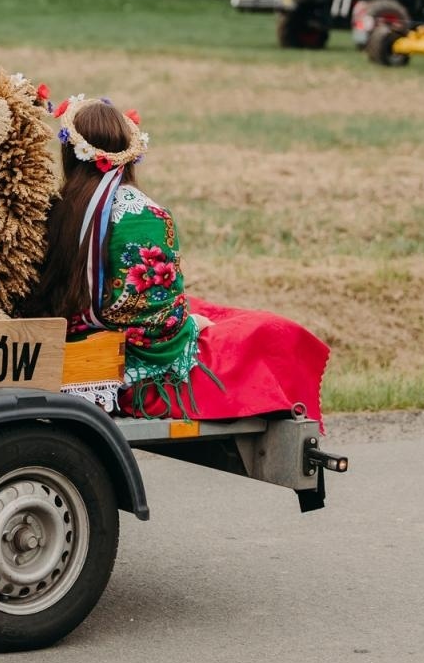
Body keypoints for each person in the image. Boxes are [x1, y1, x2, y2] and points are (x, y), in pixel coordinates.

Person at [29, 96, 329, 425]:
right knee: (271, 332)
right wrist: (192, 325)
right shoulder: (149, 217)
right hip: (128, 359)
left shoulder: (51, 210)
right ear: (128, 155)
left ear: (71, 153)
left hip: (64, 338)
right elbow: (160, 322)